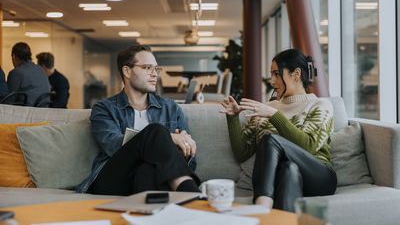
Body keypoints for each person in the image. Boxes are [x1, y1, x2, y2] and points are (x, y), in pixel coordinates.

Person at [220, 49, 336, 212]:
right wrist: (232, 118)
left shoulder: (320, 105)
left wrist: (274, 115)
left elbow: (309, 146)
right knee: (289, 169)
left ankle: (261, 206)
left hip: (319, 177)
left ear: (296, 74)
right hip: (283, 177)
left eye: (276, 74)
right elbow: (242, 153)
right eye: (271, 75)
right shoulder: (266, 108)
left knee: (270, 139)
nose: (272, 81)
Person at [77, 45, 200, 195]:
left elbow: (190, 162)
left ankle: (146, 214)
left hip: (151, 178)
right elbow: (114, 146)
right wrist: (168, 137)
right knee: (156, 130)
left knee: (147, 170)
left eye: (156, 69)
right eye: (147, 68)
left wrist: (182, 151)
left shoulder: (171, 108)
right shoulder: (104, 109)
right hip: (114, 179)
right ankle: (193, 196)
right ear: (127, 71)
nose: (154, 74)